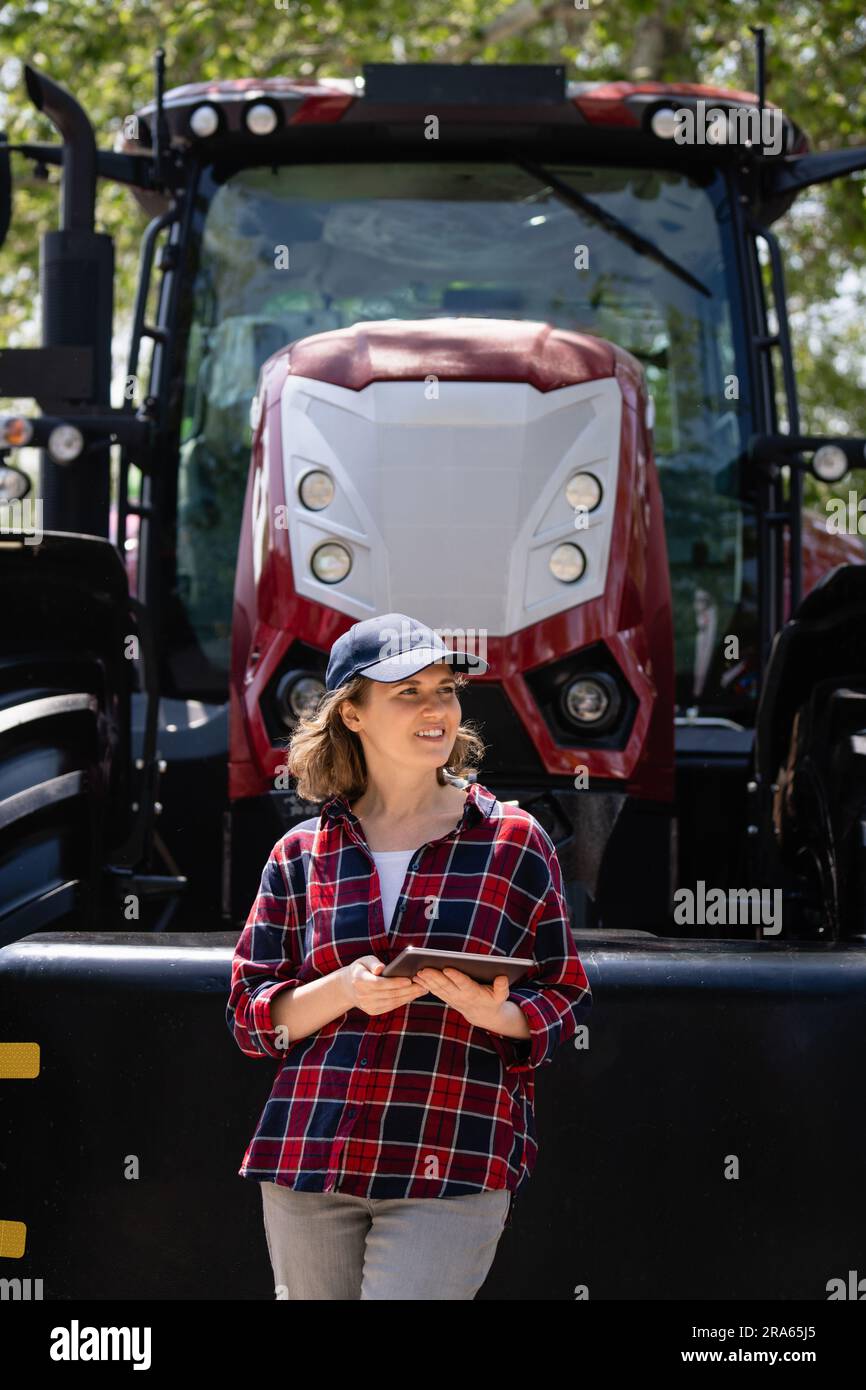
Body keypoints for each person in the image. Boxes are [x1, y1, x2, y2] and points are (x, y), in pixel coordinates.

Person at [226, 613, 592, 1299]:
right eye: (408, 692)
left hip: (449, 1152)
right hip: (311, 1156)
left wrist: (499, 1013)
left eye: (445, 690)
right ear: (353, 715)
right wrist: (343, 990)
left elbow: (564, 994)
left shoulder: (514, 841)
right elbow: (250, 1017)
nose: (436, 709)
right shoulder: (300, 853)